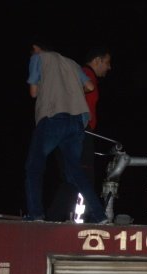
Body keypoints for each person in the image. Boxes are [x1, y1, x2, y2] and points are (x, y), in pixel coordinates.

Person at [24, 39, 107, 223]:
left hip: (53, 116)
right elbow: (90, 87)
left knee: (34, 166)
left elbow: (33, 92)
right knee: (75, 171)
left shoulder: (38, 58)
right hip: (77, 121)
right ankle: (99, 215)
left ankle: (36, 214)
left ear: (37, 48)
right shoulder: (72, 63)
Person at [46, 46, 113, 221]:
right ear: (97, 60)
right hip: (78, 132)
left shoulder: (87, 77)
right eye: (107, 62)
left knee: (75, 177)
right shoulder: (85, 73)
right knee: (82, 177)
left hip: (75, 132)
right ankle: (89, 219)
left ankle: (58, 219)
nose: (109, 67)